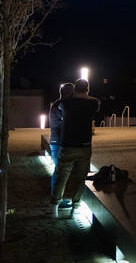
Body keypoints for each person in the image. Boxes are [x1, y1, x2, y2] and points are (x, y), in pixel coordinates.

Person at [50, 78, 100, 217]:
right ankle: (75, 207)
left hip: (67, 146)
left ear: (74, 90)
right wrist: (85, 96)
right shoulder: (92, 103)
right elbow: (97, 101)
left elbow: (58, 105)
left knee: (61, 176)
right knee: (80, 178)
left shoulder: (65, 103)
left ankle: (54, 208)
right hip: (85, 146)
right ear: (88, 90)